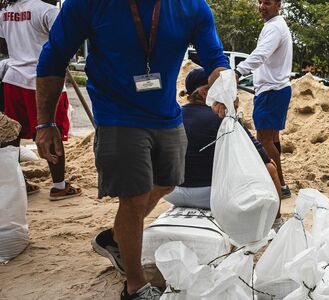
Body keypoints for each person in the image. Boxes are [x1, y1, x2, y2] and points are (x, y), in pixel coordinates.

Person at [35, 0, 230, 298]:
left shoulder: (191, 6)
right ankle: (135, 287)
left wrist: (224, 82)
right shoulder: (88, 5)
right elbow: (55, 56)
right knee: (135, 197)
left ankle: (115, 238)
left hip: (166, 113)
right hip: (117, 114)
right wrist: (45, 123)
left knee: (168, 182)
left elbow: (215, 57)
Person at [167, 68, 281, 221]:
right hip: (208, 194)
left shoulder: (172, 115)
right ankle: (276, 223)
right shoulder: (222, 117)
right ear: (204, 93)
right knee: (271, 169)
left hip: (170, 192)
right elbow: (263, 157)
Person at [1, 0, 80, 199]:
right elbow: (66, 40)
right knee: (51, 129)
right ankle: (59, 186)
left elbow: (3, 43)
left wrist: (21, 50)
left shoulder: (8, 10)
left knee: (14, 134)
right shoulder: (47, 10)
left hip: (14, 79)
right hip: (43, 80)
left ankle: (19, 182)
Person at [234, 0, 293, 200]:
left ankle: (280, 184)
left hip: (271, 91)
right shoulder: (273, 26)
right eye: (259, 2)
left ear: (278, 4)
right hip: (274, 90)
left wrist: (238, 71)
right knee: (273, 139)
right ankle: (280, 182)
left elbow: (260, 55)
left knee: (264, 140)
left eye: (267, 2)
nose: (261, 6)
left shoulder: (275, 28)